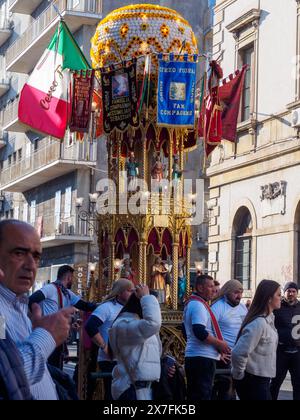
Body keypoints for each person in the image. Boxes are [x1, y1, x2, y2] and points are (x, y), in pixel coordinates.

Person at [0, 220, 74, 400]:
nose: (31, 265)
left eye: (36, 256)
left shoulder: (17, 306)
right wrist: (46, 336)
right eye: (19, 253)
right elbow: (7, 377)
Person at [29, 265, 97, 369]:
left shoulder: (68, 294)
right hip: (47, 333)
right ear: (68, 277)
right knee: (49, 366)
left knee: (57, 364)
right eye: (72, 278)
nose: (73, 281)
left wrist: (103, 304)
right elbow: (32, 299)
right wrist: (38, 319)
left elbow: (85, 306)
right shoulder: (50, 288)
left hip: (59, 334)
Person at [109, 285, 162, 401]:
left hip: (145, 389)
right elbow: (153, 323)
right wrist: (146, 297)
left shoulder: (139, 324)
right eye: (155, 305)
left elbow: (156, 351)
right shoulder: (124, 324)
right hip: (131, 388)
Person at [85, 279, 135, 400]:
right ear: (120, 292)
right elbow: (90, 326)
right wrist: (105, 347)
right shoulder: (107, 308)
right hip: (111, 361)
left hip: (128, 360)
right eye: (129, 291)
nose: (132, 293)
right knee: (112, 395)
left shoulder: (133, 308)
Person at [183, 274, 231, 400]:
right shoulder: (198, 305)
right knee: (201, 395)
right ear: (200, 287)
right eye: (210, 286)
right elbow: (199, 331)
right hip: (201, 358)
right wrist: (219, 344)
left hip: (200, 356)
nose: (214, 289)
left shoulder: (198, 304)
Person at [232, 279, 281, 401]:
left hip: (263, 380)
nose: (281, 298)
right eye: (279, 295)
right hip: (254, 381)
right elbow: (239, 352)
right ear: (269, 298)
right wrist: (239, 375)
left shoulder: (269, 320)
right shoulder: (259, 323)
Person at [211, 280, 248, 400]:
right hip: (225, 356)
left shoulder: (243, 308)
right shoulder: (217, 307)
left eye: (241, 292)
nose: (239, 296)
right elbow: (209, 331)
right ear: (227, 292)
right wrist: (216, 353)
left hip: (240, 356)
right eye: (236, 292)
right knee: (226, 392)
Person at [270, 282, 300, 400]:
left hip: (297, 352)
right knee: (275, 383)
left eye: (293, 291)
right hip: (281, 351)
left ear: (297, 292)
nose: (291, 294)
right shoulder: (278, 307)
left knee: (298, 384)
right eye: (289, 291)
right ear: (284, 292)